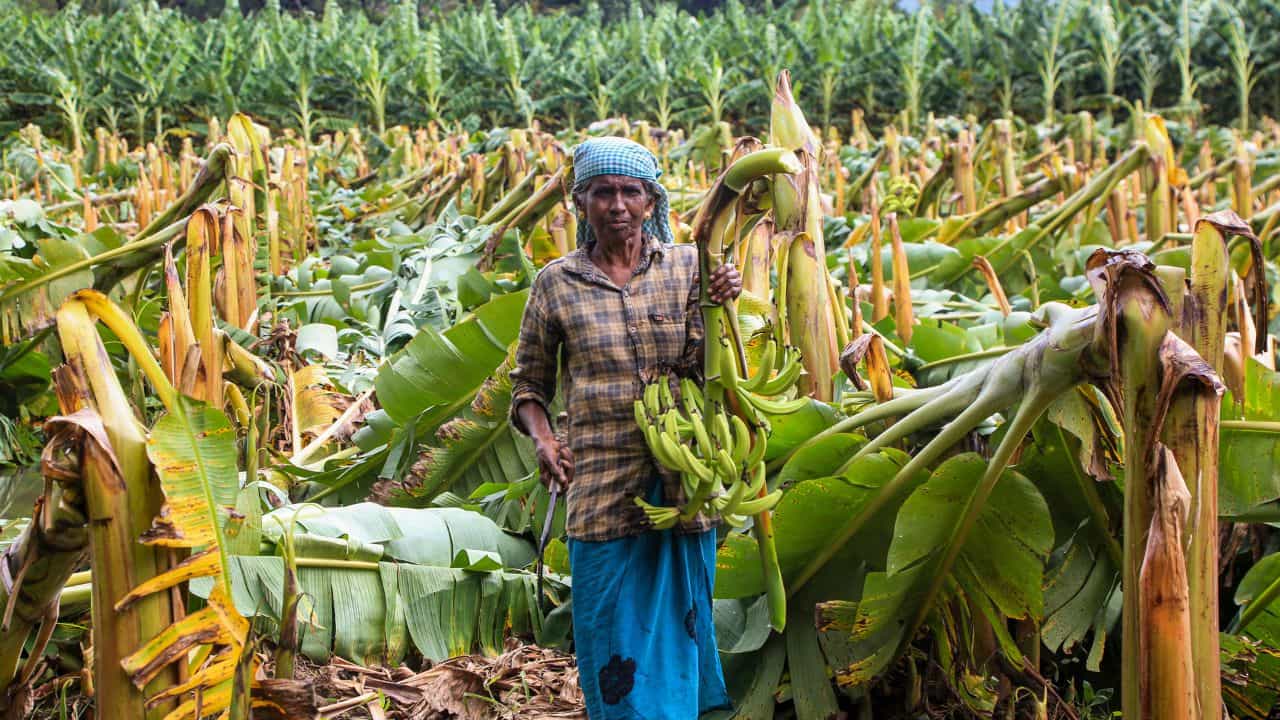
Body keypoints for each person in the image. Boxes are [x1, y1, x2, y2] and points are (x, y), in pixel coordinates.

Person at [509, 136, 741, 719]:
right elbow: (528, 387)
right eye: (603, 192)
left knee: (683, 629)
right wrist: (544, 440)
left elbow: (710, 365)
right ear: (581, 203)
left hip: (683, 480)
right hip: (600, 483)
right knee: (607, 631)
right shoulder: (555, 283)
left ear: (649, 201)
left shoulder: (690, 266)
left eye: (630, 192)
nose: (617, 204)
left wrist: (722, 304)